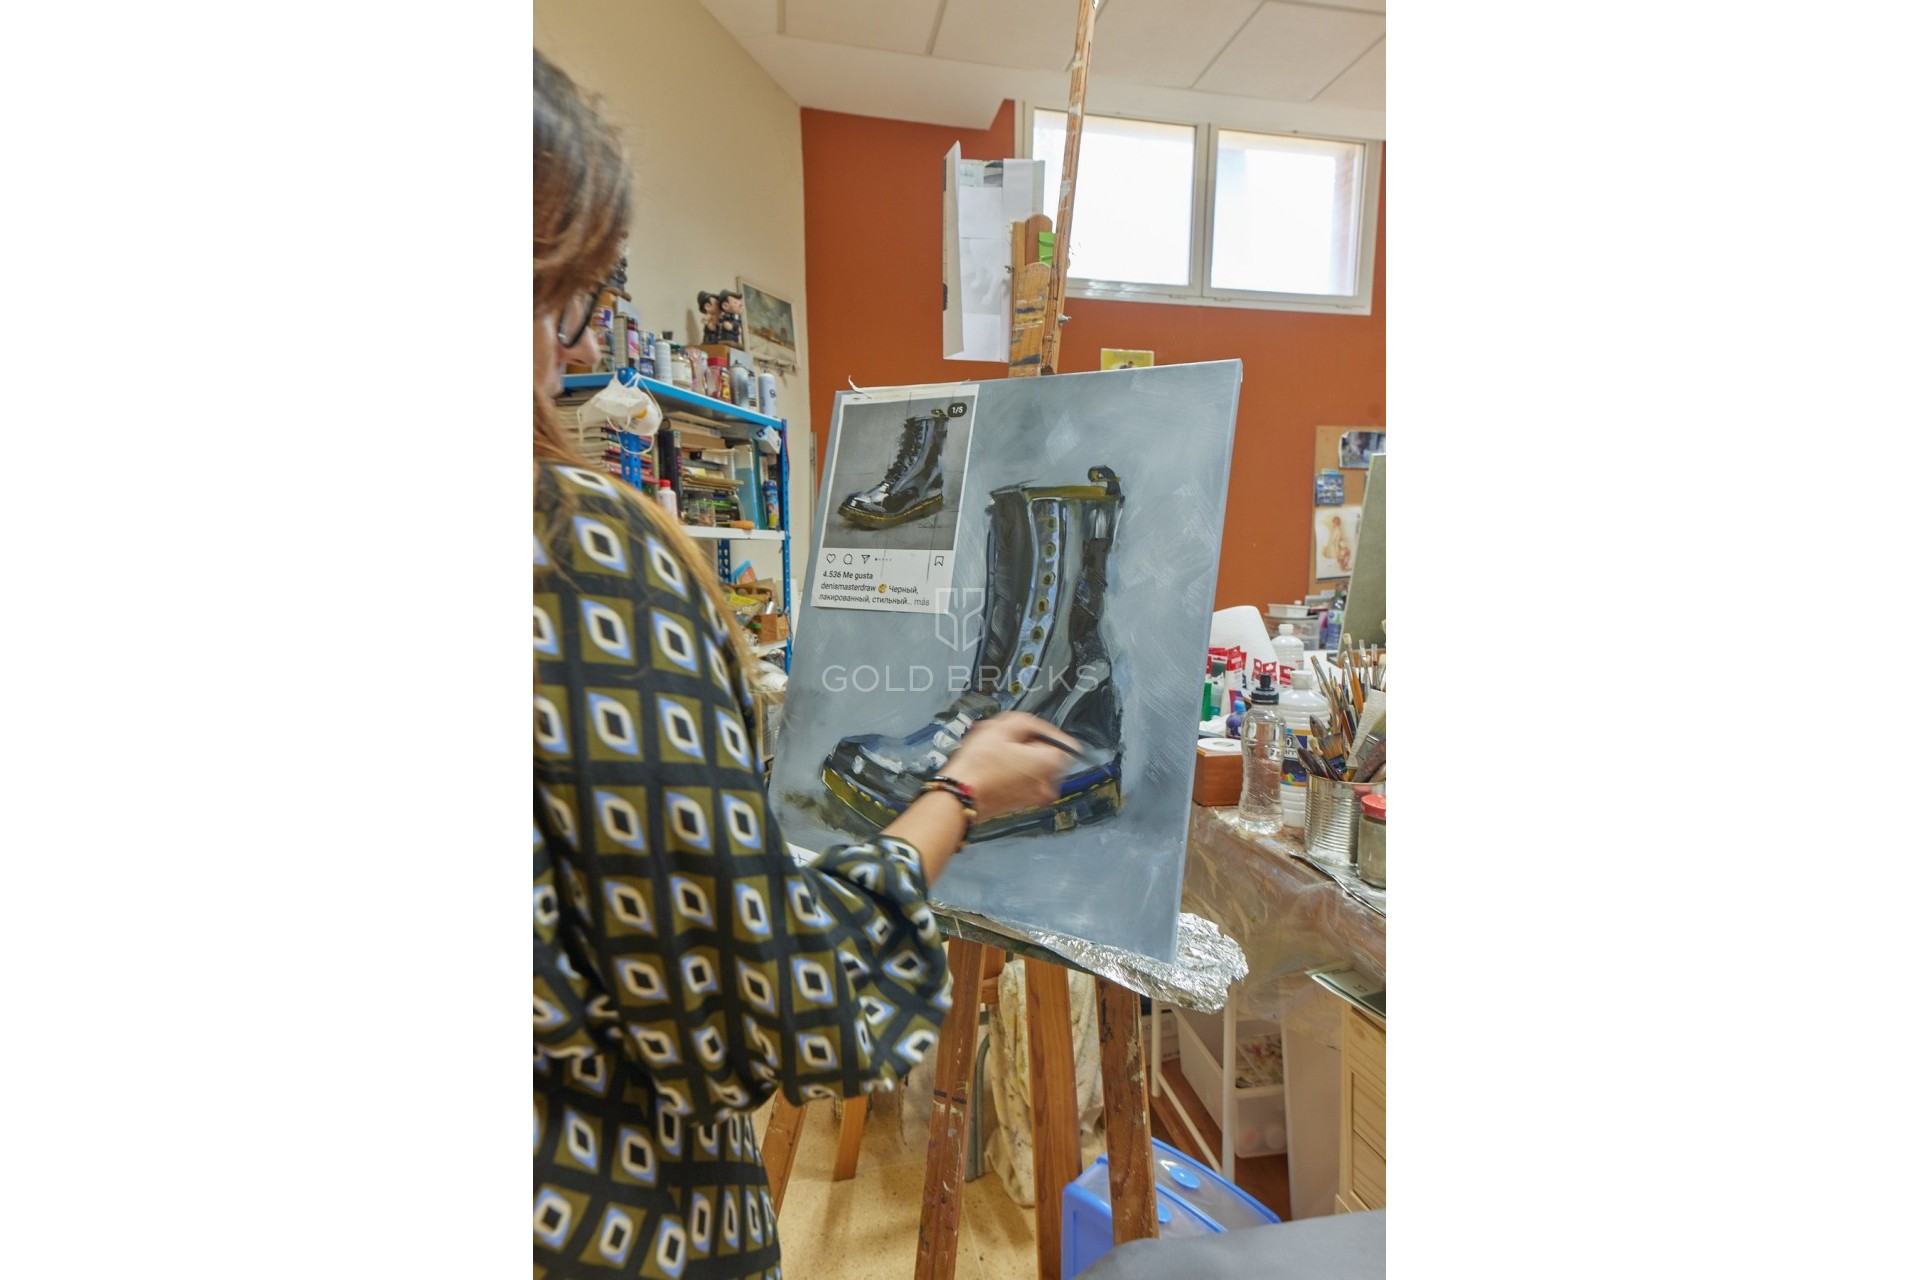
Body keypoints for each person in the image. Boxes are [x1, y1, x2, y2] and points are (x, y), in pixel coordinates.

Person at [532, 51, 1079, 1280]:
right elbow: (765, 999)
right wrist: (956, 793)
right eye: (567, 299)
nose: (580, 339)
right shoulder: (574, 552)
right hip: (622, 1223)